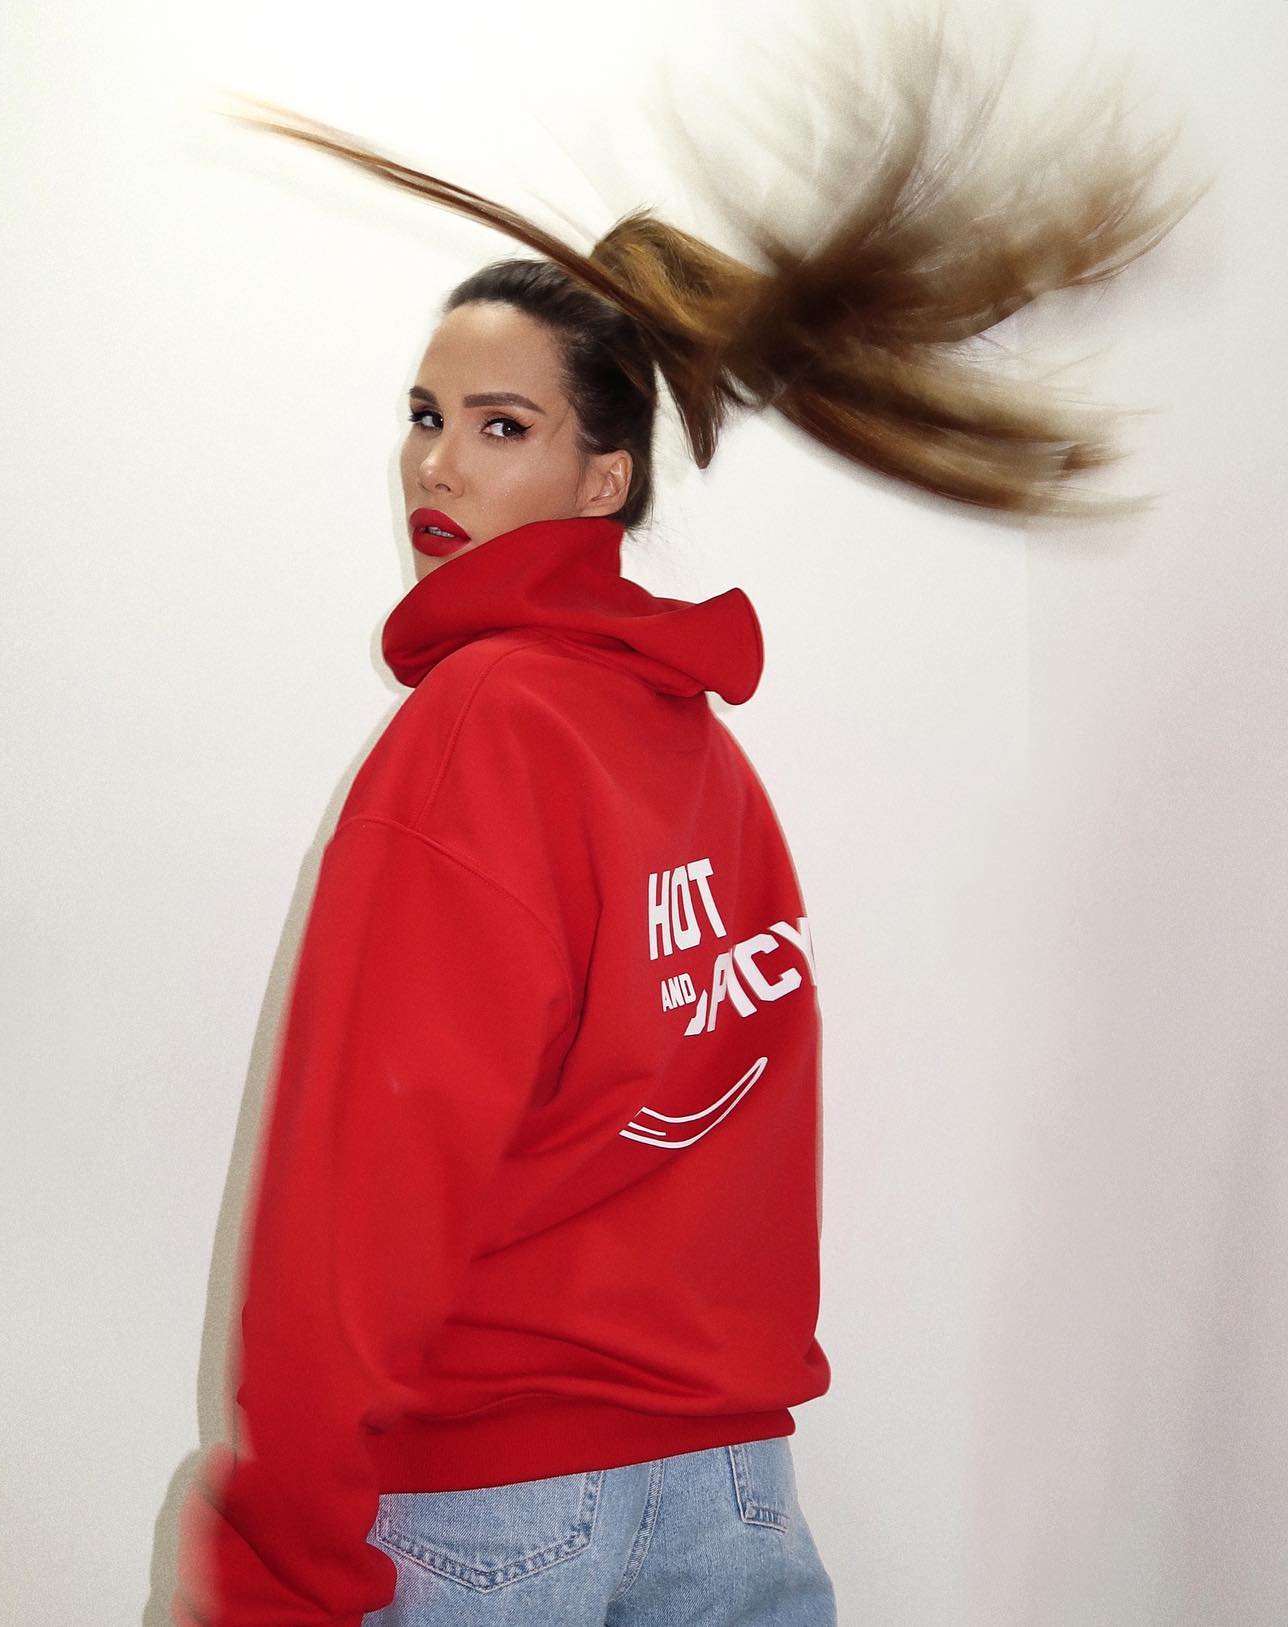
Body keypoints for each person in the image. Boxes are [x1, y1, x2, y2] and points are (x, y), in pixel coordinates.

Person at [171, 19, 1198, 1626]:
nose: (436, 464)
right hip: (731, 1498)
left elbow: (363, 1186)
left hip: (498, 1508)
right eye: (425, 414)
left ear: (606, 480)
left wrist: (274, 1564)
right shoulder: (698, 752)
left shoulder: (481, 733)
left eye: (502, 426)